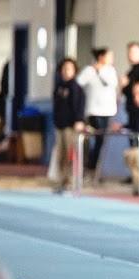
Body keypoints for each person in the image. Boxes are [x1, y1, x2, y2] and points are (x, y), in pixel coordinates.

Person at [76, 47, 118, 172]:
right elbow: (78, 84)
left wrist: (100, 71)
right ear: (101, 57)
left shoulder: (110, 71)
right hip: (93, 111)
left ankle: (94, 167)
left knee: (102, 141)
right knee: (95, 138)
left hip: (108, 111)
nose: (112, 59)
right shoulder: (89, 70)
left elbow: (113, 83)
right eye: (109, 56)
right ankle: (90, 165)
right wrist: (95, 70)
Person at [51, 58, 85, 193]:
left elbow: (79, 106)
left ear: (74, 71)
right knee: (60, 154)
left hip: (71, 126)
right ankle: (61, 180)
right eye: (64, 69)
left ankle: (70, 180)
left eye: (69, 69)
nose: (66, 71)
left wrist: (79, 120)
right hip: (60, 125)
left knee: (70, 154)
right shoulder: (59, 87)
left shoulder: (76, 87)